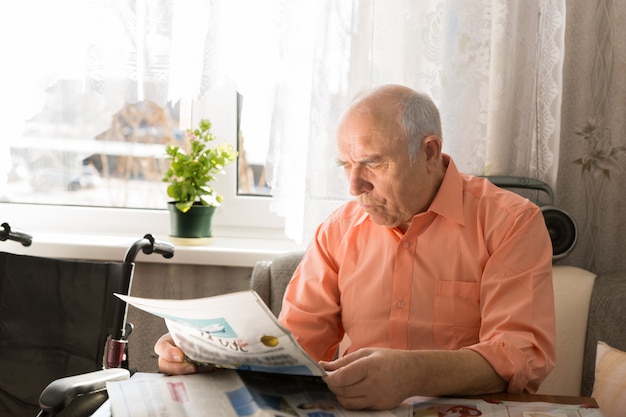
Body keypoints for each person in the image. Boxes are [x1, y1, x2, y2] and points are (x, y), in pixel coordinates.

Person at [155, 85, 556, 410]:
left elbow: (521, 355)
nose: (353, 186)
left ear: (430, 152)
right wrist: (207, 355)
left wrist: (414, 373)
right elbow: (294, 348)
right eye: (346, 166)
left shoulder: (511, 223)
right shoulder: (338, 230)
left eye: (373, 163)